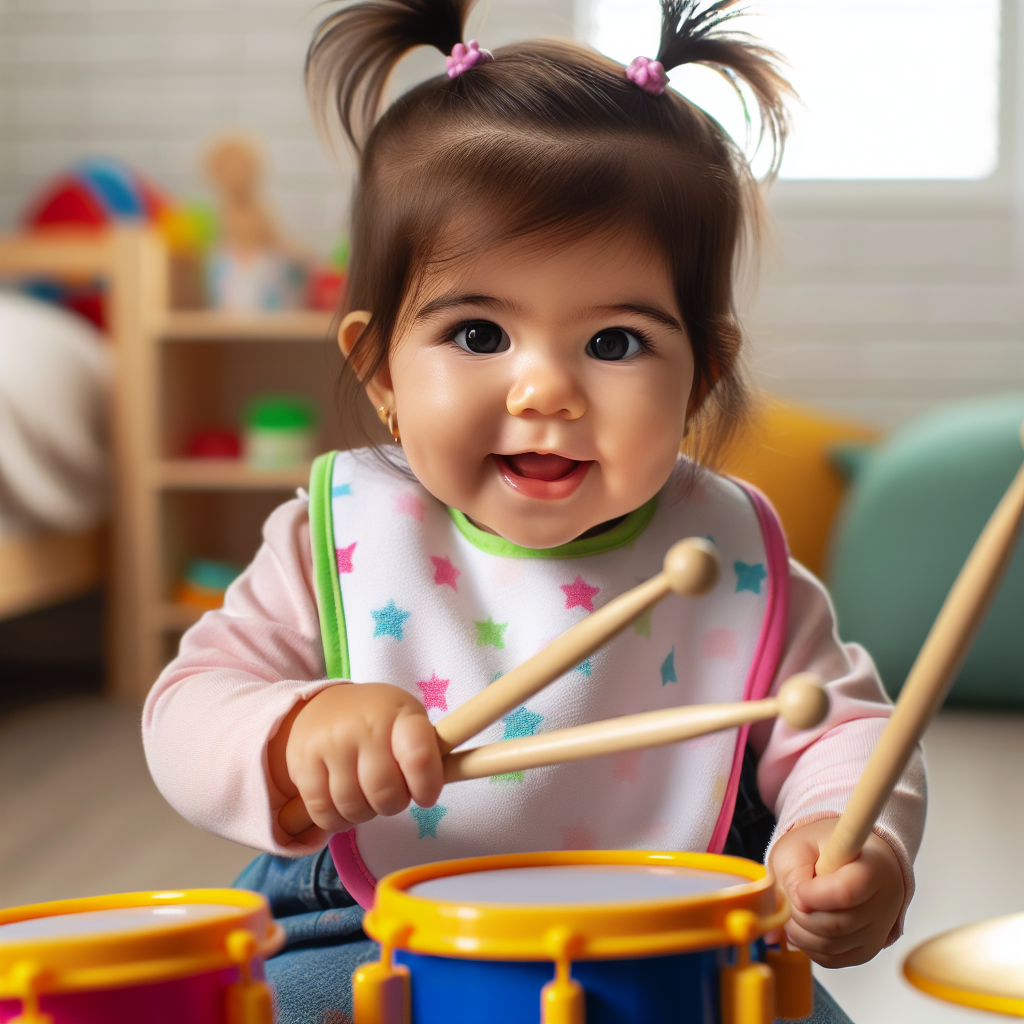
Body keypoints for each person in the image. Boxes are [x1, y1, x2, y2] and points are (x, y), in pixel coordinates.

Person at [143, 2, 925, 1020]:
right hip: (377, 925)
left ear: (701, 375)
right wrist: (294, 733)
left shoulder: (724, 547)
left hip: (675, 925)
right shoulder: (338, 535)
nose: (542, 390)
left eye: (612, 343)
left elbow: (839, 728)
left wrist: (842, 832)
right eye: (477, 334)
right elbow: (188, 705)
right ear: (379, 369)